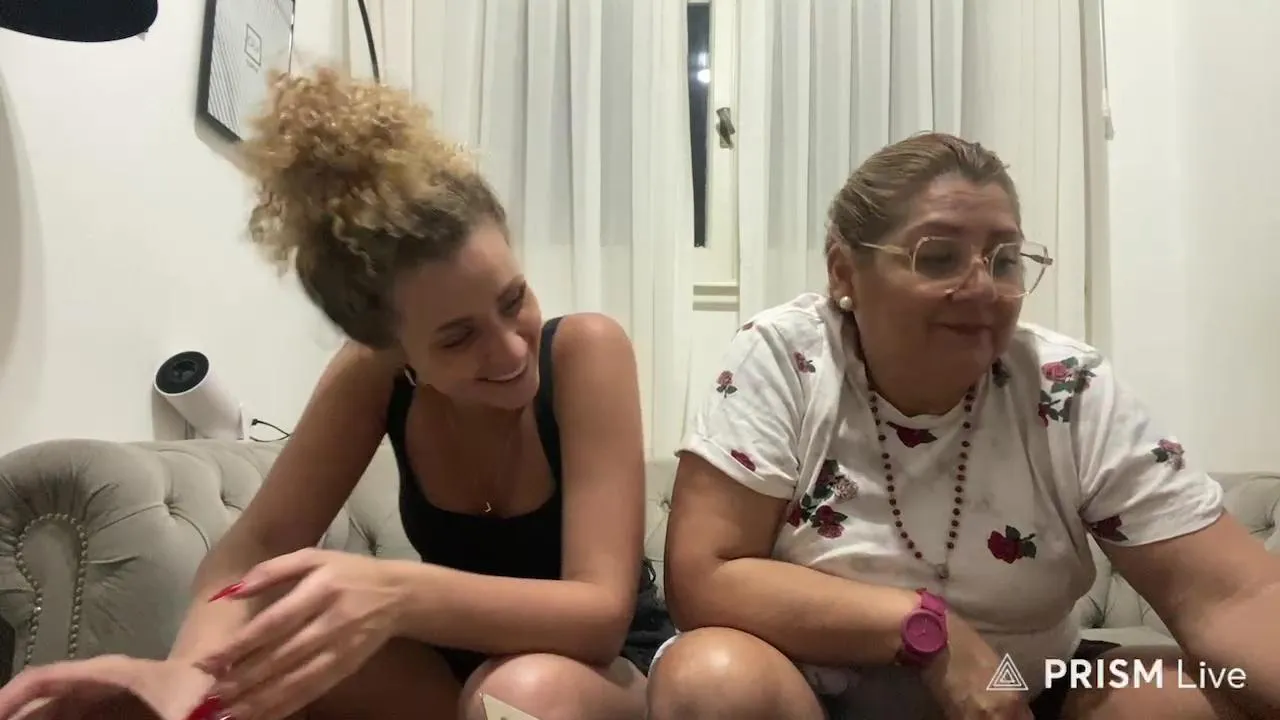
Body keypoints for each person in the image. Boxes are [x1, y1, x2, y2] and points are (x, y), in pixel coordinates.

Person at [0, 68, 654, 720]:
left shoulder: (585, 352)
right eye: (457, 339)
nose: (511, 350)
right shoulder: (370, 374)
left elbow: (598, 616)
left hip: (593, 672)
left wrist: (396, 592)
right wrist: (190, 675)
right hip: (447, 670)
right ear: (392, 345)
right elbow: (257, 547)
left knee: (515, 693)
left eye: (514, 301)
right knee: (266, 643)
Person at [645, 133, 1280, 720]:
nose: (982, 288)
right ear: (844, 272)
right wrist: (925, 630)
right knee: (712, 680)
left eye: (1005, 261)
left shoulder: (1067, 384)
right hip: (813, 691)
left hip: (1019, 687)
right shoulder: (788, 359)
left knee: (1185, 700)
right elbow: (707, 576)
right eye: (938, 257)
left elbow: (1230, 596)